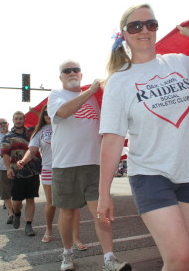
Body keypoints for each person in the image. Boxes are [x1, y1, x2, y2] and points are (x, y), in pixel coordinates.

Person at [98, 4, 189, 271]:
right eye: (136, 26)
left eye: (151, 24)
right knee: (180, 257)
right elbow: (112, 140)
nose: (144, 30)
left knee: (186, 257)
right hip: (150, 174)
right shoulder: (118, 82)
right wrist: (104, 193)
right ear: (124, 34)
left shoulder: (178, 62)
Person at [48, 59, 128, 271]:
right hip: (66, 165)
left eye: (76, 70)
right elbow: (63, 113)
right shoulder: (56, 96)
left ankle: (109, 259)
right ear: (61, 76)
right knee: (67, 213)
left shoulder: (95, 99)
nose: (72, 73)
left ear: (81, 74)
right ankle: (67, 253)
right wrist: (90, 91)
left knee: (100, 213)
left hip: (94, 165)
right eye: (67, 71)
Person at [18, 105, 88, 249]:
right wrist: (23, 161)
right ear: (43, 116)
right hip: (49, 169)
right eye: (46, 113)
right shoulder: (39, 133)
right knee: (52, 203)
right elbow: (31, 151)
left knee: (72, 205)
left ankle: (76, 238)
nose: (48, 115)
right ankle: (49, 229)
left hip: (68, 167)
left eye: (51, 112)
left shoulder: (64, 126)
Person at [2, 111, 41, 237]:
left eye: (21, 118)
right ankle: (16, 213)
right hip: (16, 172)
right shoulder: (8, 137)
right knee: (17, 201)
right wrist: (8, 169)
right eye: (16, 119)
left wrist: (36, 112)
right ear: (13, 120)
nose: (19, 121)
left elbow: (43, 122)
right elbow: (5, 154)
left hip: (32, 171)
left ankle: (29, 225)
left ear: (24, 119)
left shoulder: (31, 133)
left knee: (30, 199)